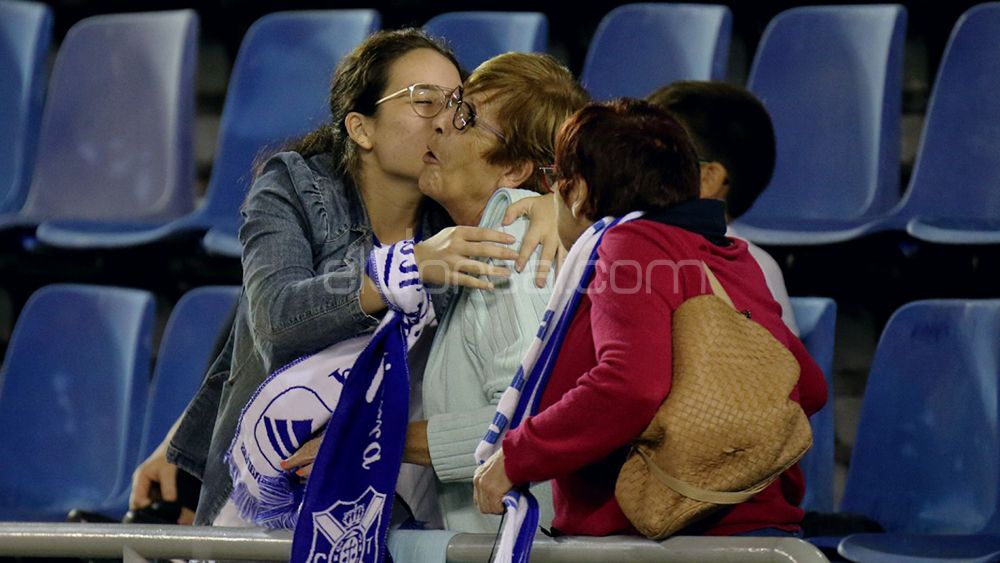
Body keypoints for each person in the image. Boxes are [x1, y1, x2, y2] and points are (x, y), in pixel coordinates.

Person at [128, 29, 561, 527]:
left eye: (455, 103)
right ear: (361, 128)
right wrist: (407, 267)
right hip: (278, 482)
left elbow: (572, 153)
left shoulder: (453, 210)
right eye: (423, 101)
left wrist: (552, 205)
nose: (443, 119)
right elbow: (271, 321)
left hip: (398, 497)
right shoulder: (295, 186)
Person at [473, 99, 827, 537]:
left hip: (675, 542)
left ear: (578, 189)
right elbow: (808, 385)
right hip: (765, 534)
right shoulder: (732, 255)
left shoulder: (627, 245)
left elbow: (630, 386)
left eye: (555, 179)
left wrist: (517, 455)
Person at [282, 52, 590, 533]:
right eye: (454, 105)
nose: (441, 124)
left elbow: (534, 425)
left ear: (512, 169)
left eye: (465, 117)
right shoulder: (481, 235)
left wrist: (374, 437)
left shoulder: (513, 242)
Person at [646, 81, 798, 334]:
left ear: (708, 179)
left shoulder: (752, 268)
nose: (628, 165)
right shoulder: (633, 246)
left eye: (649, 155)